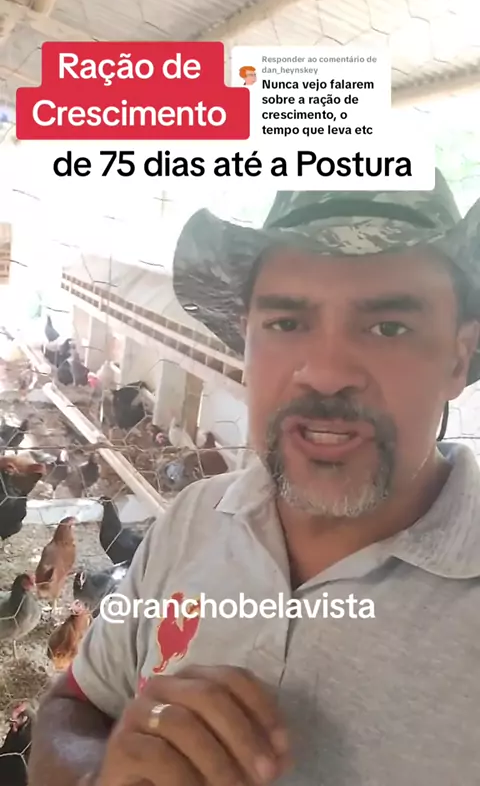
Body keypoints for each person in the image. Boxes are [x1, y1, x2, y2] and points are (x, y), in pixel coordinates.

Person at [29, 172, 480, 786]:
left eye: (389, 327)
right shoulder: (194, 518)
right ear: (246, 341)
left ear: (457, 358)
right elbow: (75, 705)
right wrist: (99, 773)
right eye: (287, 323)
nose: (325, 373)